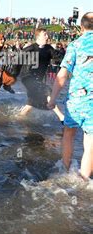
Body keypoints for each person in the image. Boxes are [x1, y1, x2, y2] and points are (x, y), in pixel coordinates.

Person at [47, 12, 93, 181]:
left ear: (81, 27)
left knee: (69, 134)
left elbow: (63, 74)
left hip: (76, 99)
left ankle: (65, 171)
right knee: (90, 142)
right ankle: (83, 180)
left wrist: (52, 99)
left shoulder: (75, 45)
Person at [19, 28, 64, 121]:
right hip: (27, 77)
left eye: (47, 34)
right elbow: (17, 59)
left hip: (37, 79)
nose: (47, 36)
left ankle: (17, 118)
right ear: (38, 37)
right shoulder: (31, 48)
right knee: (47, 91)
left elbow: (59, 58)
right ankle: (62, 117)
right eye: (45, 34)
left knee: (31, 102)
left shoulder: (49, 48)